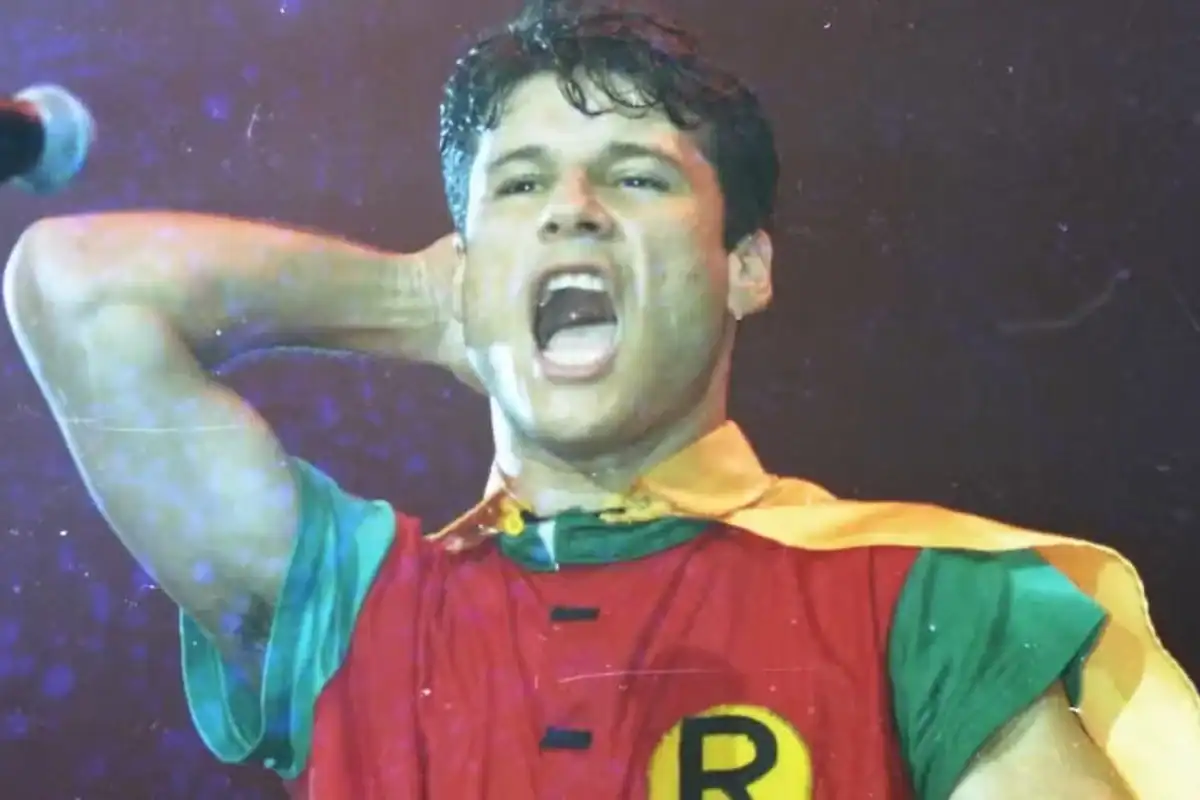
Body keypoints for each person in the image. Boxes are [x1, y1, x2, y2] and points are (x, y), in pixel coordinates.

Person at [4, 5, 1197, 799]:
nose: (572, 208)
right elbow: (79, 290)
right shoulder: (353, 612)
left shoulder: (926, 597)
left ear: (745, 266)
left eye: (634, 176)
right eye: (520, 186)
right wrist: (421, 298)